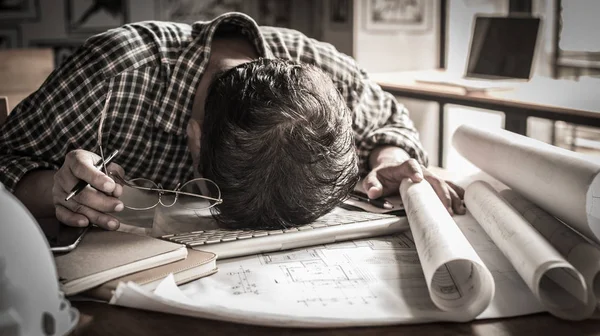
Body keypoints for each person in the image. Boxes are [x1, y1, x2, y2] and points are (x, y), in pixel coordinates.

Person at [0, 12, 465, 231]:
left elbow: (390, 118)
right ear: (195, 139)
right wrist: (55, 188)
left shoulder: (326, 71)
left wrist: (390, 155)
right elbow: (5, 159)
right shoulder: (114, 73)